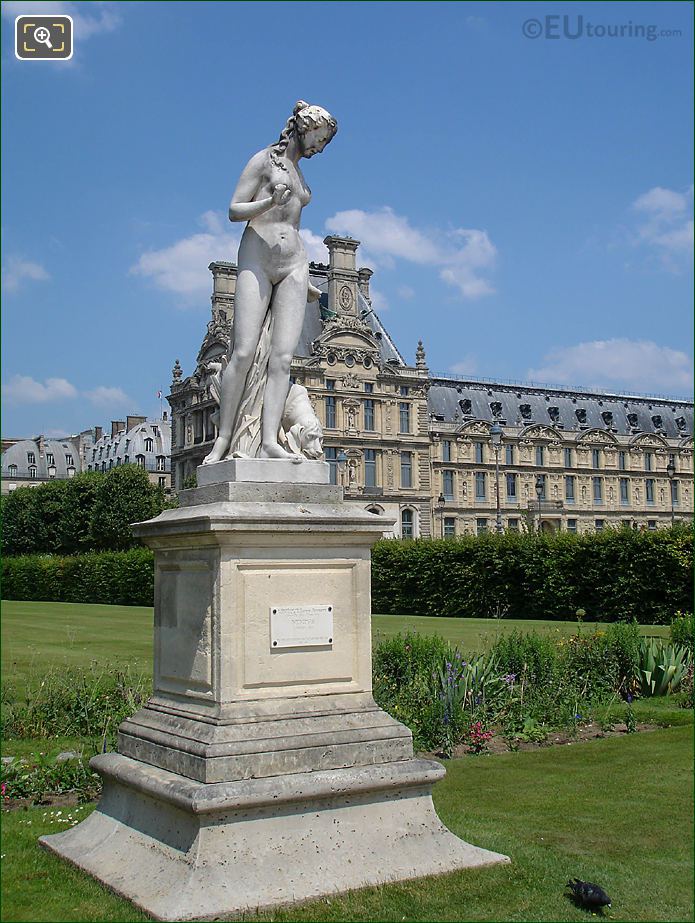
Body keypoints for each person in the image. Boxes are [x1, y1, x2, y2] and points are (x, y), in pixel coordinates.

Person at [203, 100, 337, 464]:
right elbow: (233, 210)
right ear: (305, 128)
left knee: (282, 359)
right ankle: (225, 439)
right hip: (257, 253)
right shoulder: (263, 161)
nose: (320, 149)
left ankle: (268, 442)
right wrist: (266, 204)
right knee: (244, 352)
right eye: (320, 140)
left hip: (294, 261)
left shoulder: (298, 172)